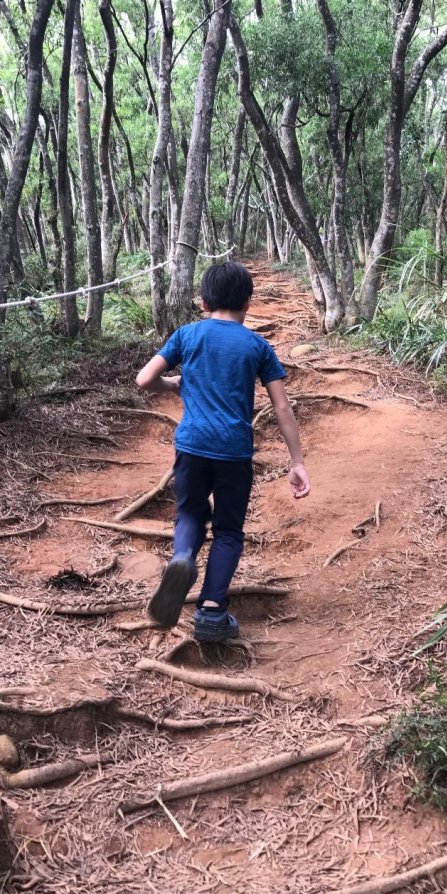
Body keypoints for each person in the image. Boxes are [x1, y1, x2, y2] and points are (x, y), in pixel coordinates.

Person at [135, 260, 310, 643]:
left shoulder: (187, 335)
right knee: (229, 530)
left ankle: (182, 556)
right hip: (234, 452)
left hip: (192, 446)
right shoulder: (257, 345)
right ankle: (212, 611)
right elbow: (282, 407)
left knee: (191, 513)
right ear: (248, 302)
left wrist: (173, 385)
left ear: (202, 301)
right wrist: (296, 461)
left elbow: (145, 379)